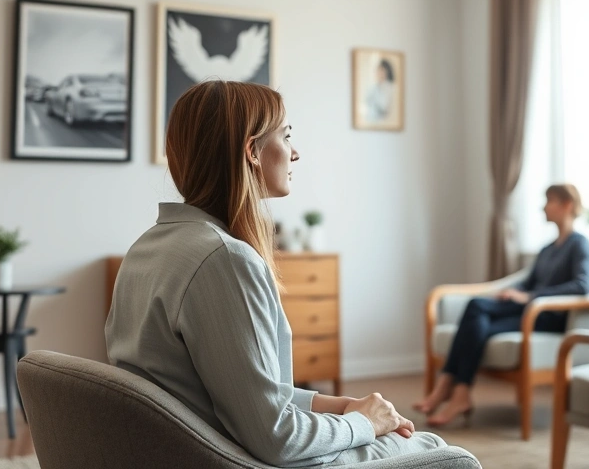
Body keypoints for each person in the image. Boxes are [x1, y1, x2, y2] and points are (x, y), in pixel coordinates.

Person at [105, 80, 449, 466]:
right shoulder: (224, 260)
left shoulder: (148, 249)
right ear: (252, 151)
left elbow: (239, 392)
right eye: (286, 136)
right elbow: (278, 439)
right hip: (239, 459)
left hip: (182, 449)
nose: (295, 153)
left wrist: (339, 405)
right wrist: (363, 423)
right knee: (437, 450)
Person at [413, 184, 589, 427]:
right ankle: (459, 393)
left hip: (546, 316)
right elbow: (528, 282)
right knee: (478, 321)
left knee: (477, 306)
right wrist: (513, 292)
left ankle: (449, 386)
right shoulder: (548, 249)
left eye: (549, 200)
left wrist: (531, 297)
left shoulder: (579, 244)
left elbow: (582, 286)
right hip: (528, 311)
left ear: (567, 205)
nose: (543, 206)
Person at [365, 58, 395, 122]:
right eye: (378, 70)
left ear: (387, 71)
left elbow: (384, 107)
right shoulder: (374, 87)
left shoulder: (389, 87)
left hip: (381, 119)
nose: (378, 72)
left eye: (381, 70)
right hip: (371, 119)